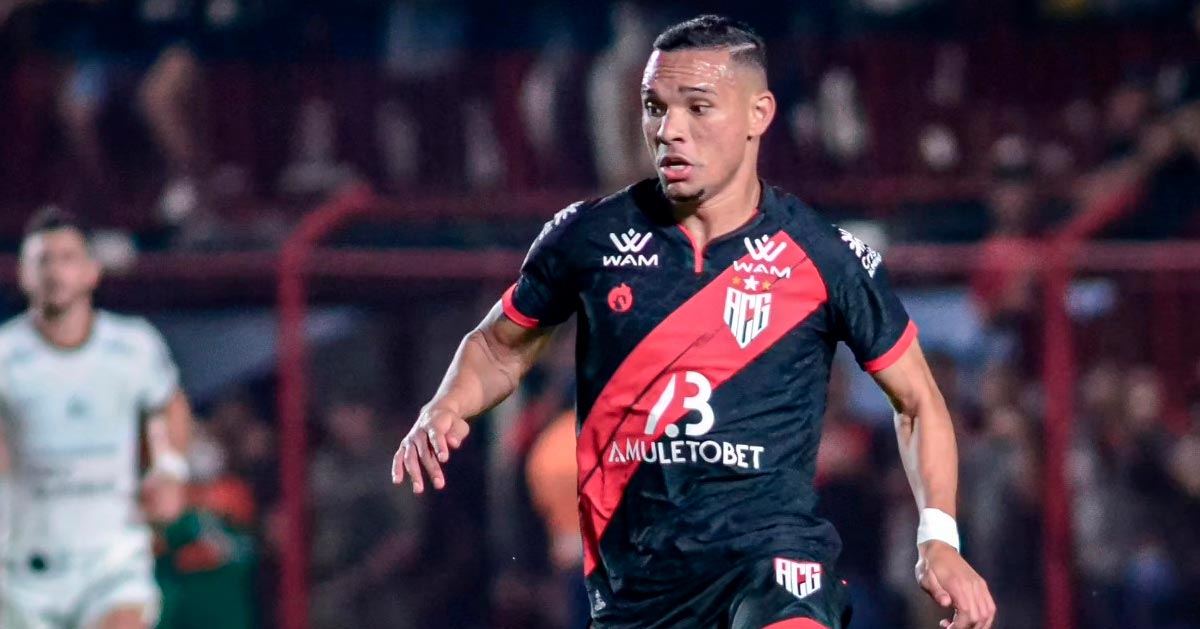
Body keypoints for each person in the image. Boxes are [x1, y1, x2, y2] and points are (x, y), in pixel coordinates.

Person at [393, 15, 996, 629]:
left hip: (774, 566)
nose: (669, 130)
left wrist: (939, 537)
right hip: (639, 588)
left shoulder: (823, 254)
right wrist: (446, 405)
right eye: (655, 108)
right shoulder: (587, 238)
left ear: (759, 114)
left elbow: (917, 401)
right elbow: (499, 347)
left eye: (698, 108)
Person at [0, 207, 194, 629]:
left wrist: (170, 469)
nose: (55, 272)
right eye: (43, 260)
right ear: (24, 275)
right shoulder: (6, 353)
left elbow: (168, 404)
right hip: (23, 569)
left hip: (112, 562)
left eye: (67, 258)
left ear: (92, 272)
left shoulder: (134, 345)